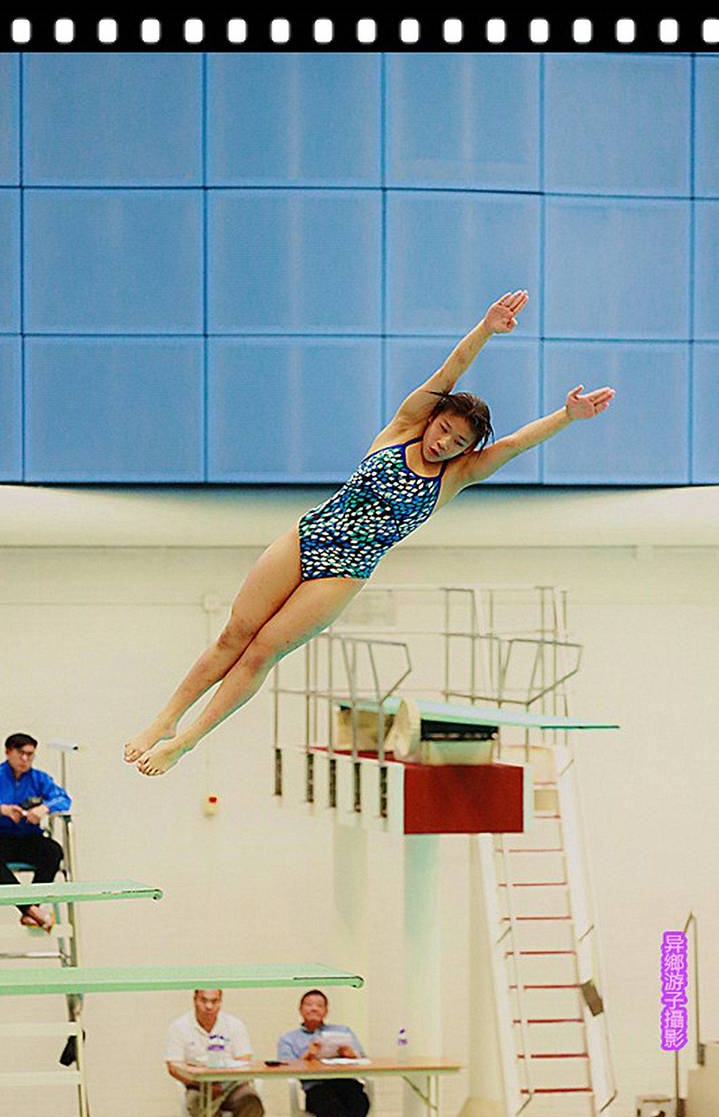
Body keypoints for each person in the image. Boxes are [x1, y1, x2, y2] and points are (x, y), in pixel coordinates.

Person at [125, 289, 615, 776]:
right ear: (432, 419)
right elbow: (449, 372)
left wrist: (566, 416)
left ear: (466, 451)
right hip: (308, 535)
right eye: (443, 429)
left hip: (344, 571)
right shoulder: (402, 428)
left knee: (261, 653)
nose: (444, 443)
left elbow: (512, 445)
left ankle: (186, 742)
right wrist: (486, 329)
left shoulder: (455, 477)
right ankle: (166, 720)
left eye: (458, 442)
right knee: (235, 633)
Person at [165, 988, 264, 1117]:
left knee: (251, 1101)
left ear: (220, 1002)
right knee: (198, 1105)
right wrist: (201, 1083)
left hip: (231, 1085)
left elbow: (244, 1059)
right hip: (197, 1087)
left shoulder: (234, 1024)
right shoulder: (179, 1027)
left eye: (214, 1001)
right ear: (195, 1000)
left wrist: (223, 1083)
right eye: (204, 1000)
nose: (209, 1006)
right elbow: (174, 1066)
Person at [0, 733, 70, 931]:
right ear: (8, 752)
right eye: (20, 753)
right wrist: (3, 810)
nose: (25, 759)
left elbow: (63, 798)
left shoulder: (39, 779)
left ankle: (31, 910)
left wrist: (44, 808)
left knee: (53, 852)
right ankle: (31, 910)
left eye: (30, 754)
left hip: (28, 837)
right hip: (2, 838)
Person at [277, 989, 369, 1117]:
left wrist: (351, 1054)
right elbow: (286, 1067)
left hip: (345, 1082)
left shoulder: (343, 1031)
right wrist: (307, 1055)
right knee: (330, 1105)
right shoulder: (289, 1039)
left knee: (359, 1100)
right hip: (316, 1088)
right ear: (300, 1009)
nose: (314, 1008)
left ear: (326, 1011)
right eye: (309, 1005)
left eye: (319, 1005)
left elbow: (363, 1059)